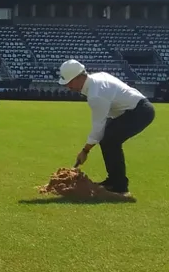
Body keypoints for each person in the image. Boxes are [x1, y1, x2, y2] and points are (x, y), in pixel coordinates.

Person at [58, 59, 155, 195]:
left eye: (69, 83)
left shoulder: (95, 94)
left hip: (139, 112)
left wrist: (85, 151)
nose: (68, 87)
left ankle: (119, 186)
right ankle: (114, 181)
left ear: (79, 77)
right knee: (108, 138)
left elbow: (98, 127)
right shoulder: (98, 78)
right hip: (132, 110)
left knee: (109, 140)